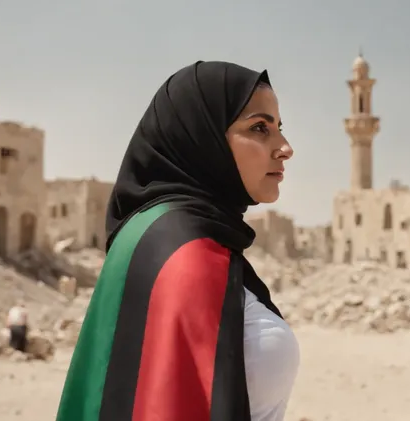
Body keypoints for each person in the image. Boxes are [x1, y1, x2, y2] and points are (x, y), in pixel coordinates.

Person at [55, 61, 299, 421]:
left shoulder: (151, 234)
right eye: (260, 128)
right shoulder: (186, 254)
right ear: (203, 137)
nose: (284, 147)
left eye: (279, 128)